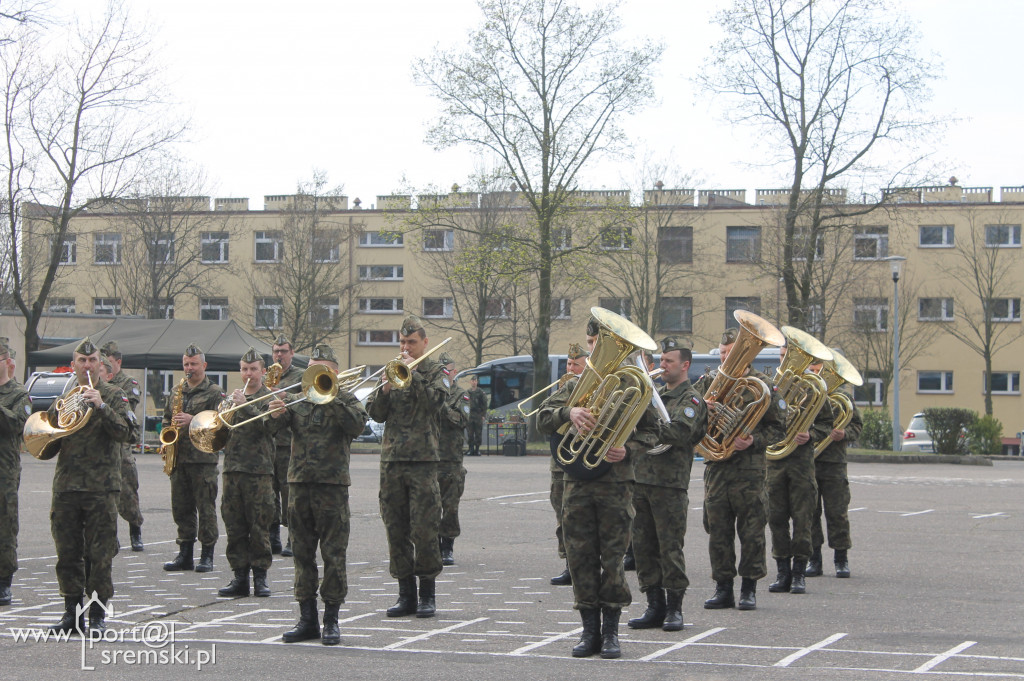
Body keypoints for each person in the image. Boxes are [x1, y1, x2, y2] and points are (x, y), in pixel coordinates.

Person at [536, 357, 634, 660]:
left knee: (613, 559)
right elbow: (542, 419)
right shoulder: (577, 387)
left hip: (615, 486)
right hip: (577, 485)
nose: (600, 355)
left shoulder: (631, 388)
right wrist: (570, 412)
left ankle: (611, 633)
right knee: (580, 558)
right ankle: (589, 630)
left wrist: (630, 449)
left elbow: (655, 433)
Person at [270, 343, 367, 645]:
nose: (314, 375)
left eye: (321, 370)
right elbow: (271, 427)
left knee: (333, 556)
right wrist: (274, 411)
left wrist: (332, 394)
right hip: (299, 486)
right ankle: (307, 619)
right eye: (311, 368)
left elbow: (357, 426)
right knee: (301, 555)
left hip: (332, 489)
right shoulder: (299, 400)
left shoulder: (348, 400)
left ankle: (332, 620)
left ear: (335, 373)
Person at [695, 328, 786, 611]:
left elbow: (779, 427)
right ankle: (723, 587)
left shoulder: (763, 385)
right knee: (718, 532)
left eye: (731, 353)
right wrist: (703, 412)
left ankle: (749, 588)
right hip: (717, 469)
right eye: (723, 353)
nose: (726, 358)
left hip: (749, 472)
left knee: (752, 531)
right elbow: (688, 423)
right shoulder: (707, 383)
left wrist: (754, 440)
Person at [46, 337, 133, 634]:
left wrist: (102, 406)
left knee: (99, 553)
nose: (87, 365)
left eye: (92, 360)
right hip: (67, 486)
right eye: (81, 361)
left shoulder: (114, 394)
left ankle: (97, 615)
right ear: (74, 365)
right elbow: (50, 439)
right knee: (68, 553)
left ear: (101, 364)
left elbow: (126, 434)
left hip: (101, 488)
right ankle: (71, 613)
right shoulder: (66, 395)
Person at [366, 315, 447, 619]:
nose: (406, 347)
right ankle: (405, 594)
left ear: (424, 343)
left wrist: (414, 375)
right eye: (402, 342)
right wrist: (385, 389)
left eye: (411, 342)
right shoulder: (390, 369)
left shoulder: (435, 372)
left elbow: (435, 403)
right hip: (392, 461)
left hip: (423, 461)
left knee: (425, 529)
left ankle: (427, 593)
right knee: (395, 528)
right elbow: (375, 413)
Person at [627, 338, 708, 632]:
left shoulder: (692, 400)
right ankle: (653, 606)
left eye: (669, 361)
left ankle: (675, 609)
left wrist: (643, 426)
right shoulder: (655, 395)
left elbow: (680, 432)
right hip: (640, 480)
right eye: (661, 360)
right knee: (643, 548)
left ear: (685, 365)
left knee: (669, 548)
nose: (663, 365)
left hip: (669, 484)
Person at [766, 348, 834, 596]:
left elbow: (827, 424)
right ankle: (782, 571)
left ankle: (798, 573)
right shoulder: (770, 386)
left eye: (790, 355)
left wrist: (811, 435)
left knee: (803, 519)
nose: (785, 359)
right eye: (782, 355)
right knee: (776, 519)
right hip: (774, 462)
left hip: (801, 463)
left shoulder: (813, 387)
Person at [218, 348, 277, 599]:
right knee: (235, 526)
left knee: (259, 525)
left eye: (253, 369)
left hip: (258, 471)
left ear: (263, 371)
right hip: (232, 470)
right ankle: (239, 576)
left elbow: (269, 426)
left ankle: (261, 577)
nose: (248, 374)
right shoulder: (231, 398)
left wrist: (245, 407)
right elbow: (220, 434)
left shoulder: (268, 397)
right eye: (244, 369)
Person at [162, 344, 225, 573]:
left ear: (204, 366)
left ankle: (207, 555)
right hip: (179, 458)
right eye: (186, 364)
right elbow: (167, 419)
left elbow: (218, 424)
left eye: (194, 364)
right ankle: (185, 553)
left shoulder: (214, 392)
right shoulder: (177, 390)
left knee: (205, 508)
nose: (189, 368)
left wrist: (193, 419)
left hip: (203, 460)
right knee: (181, 508)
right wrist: (165, 442)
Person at [807, 356, 862, 580]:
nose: (815, 374)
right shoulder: (805, 394)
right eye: (812, 370)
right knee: (810, 513)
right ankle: (814, 559)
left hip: (833, 462)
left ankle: (841, 559)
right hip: (808, 460)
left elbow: (856, 425)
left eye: (818, 370)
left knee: (837, 512)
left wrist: (844, 434)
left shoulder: (842, 397)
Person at [99, 341, 145, 552]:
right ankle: (112, 535)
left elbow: (127, 409)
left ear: (117, 362)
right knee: (105, 494)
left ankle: (136, 530)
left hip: (122, 445)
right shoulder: (94, 384)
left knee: (128, 491)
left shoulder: (128, 383)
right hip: (103, 443)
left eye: (107, 362)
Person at [549, 342, 588, 587]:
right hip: (559, 461)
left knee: (581, 517)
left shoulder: (591, 388)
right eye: (569, 363)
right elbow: (546, 418)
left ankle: (584, 563)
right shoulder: (561, 388)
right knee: (561, 515)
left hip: (584, 458)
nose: (571, 368)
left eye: (576, 364)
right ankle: (568, 562)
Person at [0, 338, 31, 607]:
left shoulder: (18, 394)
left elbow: (18, 425)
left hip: (4, 473)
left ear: (7, 362)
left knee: (5, 526)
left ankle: (4, 580)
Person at [270, 334, 302, 557]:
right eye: (276, 351)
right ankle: (272, 537)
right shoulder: (266, 376)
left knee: (289, 493)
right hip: (268, 442)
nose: (279, 355)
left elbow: (305, 398)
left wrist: (284, 395)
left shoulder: (300, 376)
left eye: (283, 351)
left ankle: (293, 538)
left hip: (288, 443)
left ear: (291, 353)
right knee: (269, 494)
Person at [436, 352, 468, 566]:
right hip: (428, 457)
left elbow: (461, 419)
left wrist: (442, 404)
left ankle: (447, 546)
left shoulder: (460, 394)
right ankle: (429, 546)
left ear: (454, 373)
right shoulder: (429, 392)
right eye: (440, 372)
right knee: (426, 507)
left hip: (450, 459)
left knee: (449, 507)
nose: (444, 375)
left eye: (447, 371)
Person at [465, 375, 487, 456]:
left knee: (478, 433)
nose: (474, 382)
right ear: (470, 382)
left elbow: (484, 404)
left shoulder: (481, 392)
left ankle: (477, 449)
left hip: (478, 415)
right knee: (470, 433)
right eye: (472, 381)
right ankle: (471, 449)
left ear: (477, 382)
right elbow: (464, 403)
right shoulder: (467, 392)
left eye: (475, 381)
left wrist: (483, 414)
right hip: (470, 415)